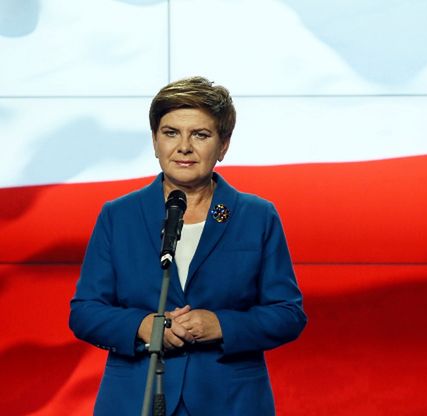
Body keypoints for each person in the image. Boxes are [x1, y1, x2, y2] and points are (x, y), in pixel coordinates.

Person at [69, 76, 307, 416]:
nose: (184, 147)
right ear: (154, 141)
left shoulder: (256, 216)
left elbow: (288, 313)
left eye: (200, 134)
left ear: (223, 145)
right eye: (170, 133)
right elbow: (85, 311)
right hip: (136, 397)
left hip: (230, 401)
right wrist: (141, 326)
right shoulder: (118, 215)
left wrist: (221, 325)